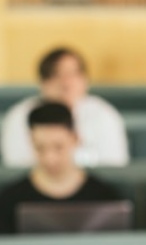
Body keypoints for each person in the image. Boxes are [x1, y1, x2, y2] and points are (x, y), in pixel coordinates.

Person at [0, 102, 123, 234]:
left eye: (58, 147)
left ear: (75, 139)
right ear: (30, 142)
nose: (50, 158)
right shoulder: (9, 200)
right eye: (40, 148)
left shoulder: (105, 197)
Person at [1, 47, 129, 167]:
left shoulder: (104, 115)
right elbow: (16, 168)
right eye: (56, 75)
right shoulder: (20, 116)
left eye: (73, 74)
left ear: (85, 79)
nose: (66, 83)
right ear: (42, 82)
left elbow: (114, 167)